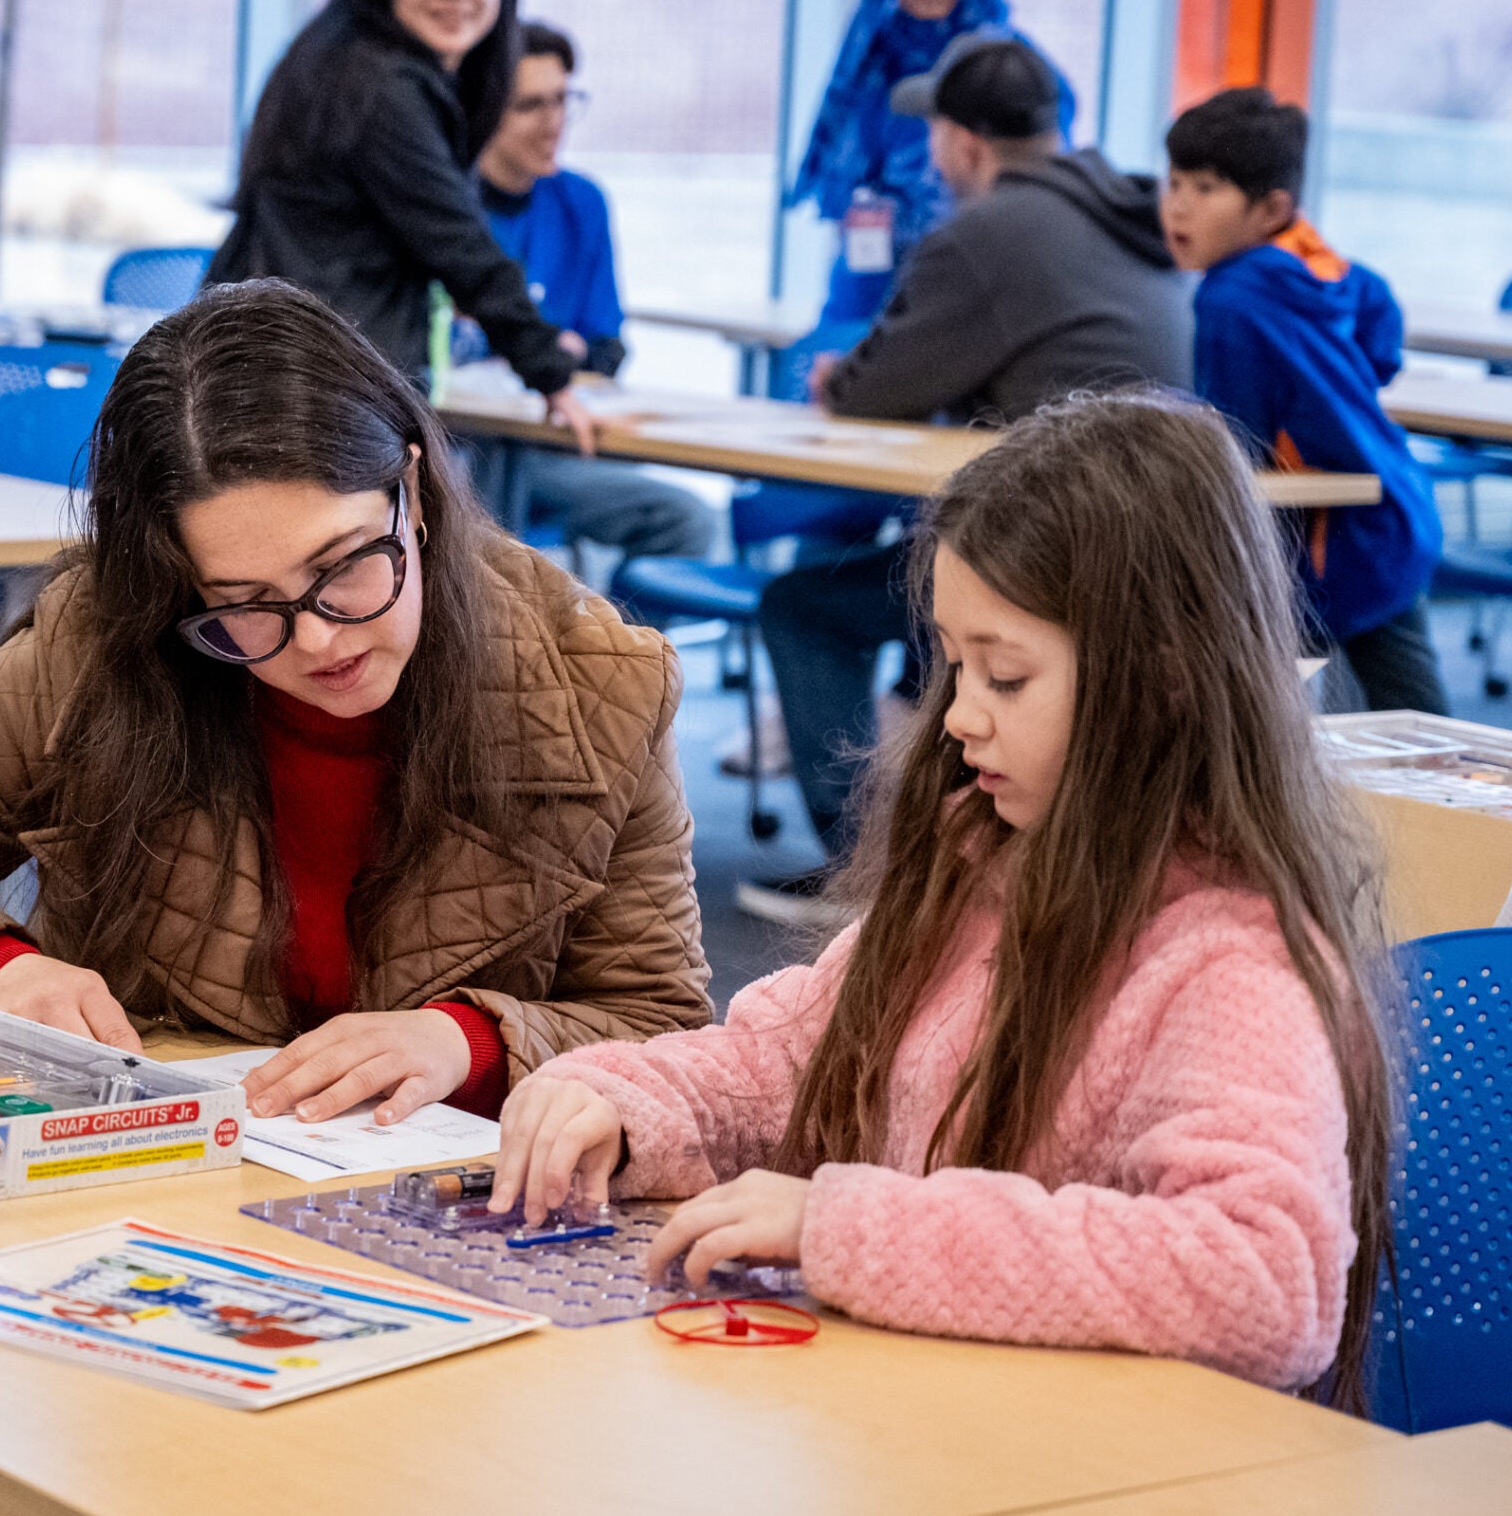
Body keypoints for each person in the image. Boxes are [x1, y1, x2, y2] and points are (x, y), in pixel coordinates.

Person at [493, 393, 1394, 1407]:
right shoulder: (984, 864)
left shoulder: (1233, 957)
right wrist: (616, 1103)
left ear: (1163, 682)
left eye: (1005, 677)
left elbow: (1262, 1283)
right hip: (925, 1423)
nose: (958, 715)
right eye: (954, 665)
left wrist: (842, 1229)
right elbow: (785, 1061)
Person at [0, 281, 712, 1131]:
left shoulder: (599, 682)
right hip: (139, 1187)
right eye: (241, 606)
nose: (317, 639)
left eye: (344, 567)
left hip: (445, 1210)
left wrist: (467, 1042)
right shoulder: (100, 649)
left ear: (411, 487)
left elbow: (665, 1030)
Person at [741, 33, 1192, 923]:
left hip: (1051, 549)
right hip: (1144, 542)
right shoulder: (1131, 214)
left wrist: (843, 378)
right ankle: (951, 844)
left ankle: (862, 873)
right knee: (920, 592)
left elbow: (876, 386)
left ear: (963, 143)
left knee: (806, 604)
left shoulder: (989, 231)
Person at [206, 0, 598, 454]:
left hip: (275, 363)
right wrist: (552, 376)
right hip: (324, 384)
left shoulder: (335, 60)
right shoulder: (383, 87)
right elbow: (461, 247)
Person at [1161, 87, 1449, 715]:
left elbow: (1233, 443)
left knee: (1257, 705)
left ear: (1271, 208)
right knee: (1415, 715)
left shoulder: (1230, 297)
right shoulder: (1316, 259)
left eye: (1206, 189)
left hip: (1327, 544)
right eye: (1175, 182)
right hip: (1393, 508)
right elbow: (1378, 311)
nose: (1178, 207)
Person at [465, 19, 717, 561]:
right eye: (530, 106)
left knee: (687, 521)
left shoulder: (582, 203)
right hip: (461, 450)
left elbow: (605, 348)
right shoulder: (444, 208)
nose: (553, 123)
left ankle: (626, 650)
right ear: (483, 109)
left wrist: (551, 354)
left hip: (553, 445)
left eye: (563, 101)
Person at [786, 0, 1076, 327]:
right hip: (866, 292)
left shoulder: (1011, 70)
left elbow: (1037, 200)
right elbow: (850, 194)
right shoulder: (872, 59)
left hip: (976, 296)